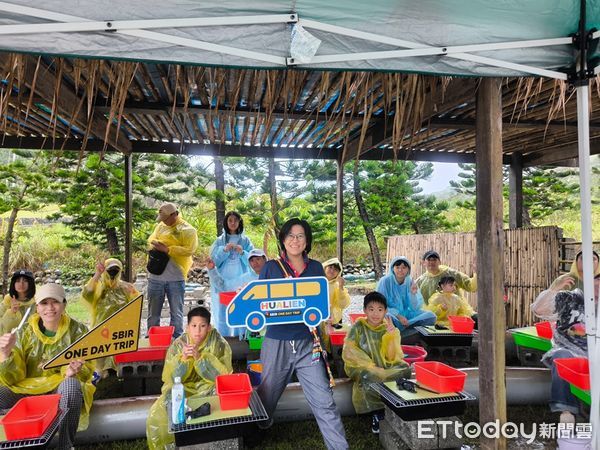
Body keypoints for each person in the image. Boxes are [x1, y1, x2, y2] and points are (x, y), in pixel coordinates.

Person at [257, 218, 348, 450]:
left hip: (309, 343)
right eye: (290, 235)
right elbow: (259, 302)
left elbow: (320, 303)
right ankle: (256, 429)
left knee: (324, 400)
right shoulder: (271, 267)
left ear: (307, 241)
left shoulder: (316, 268)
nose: (295, 240)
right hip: (276, 342)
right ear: (283, 240)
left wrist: (325, 316)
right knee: (267, 396)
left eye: (300, 236)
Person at [0, 283, 95, 449]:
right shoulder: (23, 333)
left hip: (58, 390)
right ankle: (14, 442)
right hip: (26, 391)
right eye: (44, 303)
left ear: (64, 304)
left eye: (55, 302)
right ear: (37, 307)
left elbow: (88, 368)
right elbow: (14, 377)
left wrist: (71, 372)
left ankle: (65, 445)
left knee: (71, 386)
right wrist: (5, 354)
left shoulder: (78, 331)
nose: (50, 308)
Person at [146, 306, 232, 450]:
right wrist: (184, 359)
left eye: (202, 326)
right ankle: (170, 443)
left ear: (209, 327)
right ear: (187, 327)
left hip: (209, 386)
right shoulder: (178, 345)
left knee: (219, 405)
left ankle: (214, 441)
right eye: (194, 326)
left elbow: (222, 377)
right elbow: (172, 378)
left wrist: (200, 359)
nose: (197, 331)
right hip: (182, 387)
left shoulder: (219, 343)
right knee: (158, 412)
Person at [532, 250, 599, 424]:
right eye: (596, 282)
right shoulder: (569, 297)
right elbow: (539, 310)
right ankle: (566, 411)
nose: (598, 287)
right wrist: (554, 289)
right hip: (568, 349)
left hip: (595, 354)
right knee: (562, 358)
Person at [342, 291, 411, 434]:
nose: (375, 314)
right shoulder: (358, 327)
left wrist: (391, 336)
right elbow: (350, 351)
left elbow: (392, 357)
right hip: (361, 367)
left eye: (380, 309)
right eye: (371, 309)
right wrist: (370, 366)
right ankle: (376, 412)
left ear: (385, 311)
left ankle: (396, 404)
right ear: (365, 310)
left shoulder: (387, 327)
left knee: (405, 368)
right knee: (369, 376)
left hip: (384, 366)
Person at [147, 202, 198, 338]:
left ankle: (177, 337)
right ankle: (152, 336)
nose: (163, 222)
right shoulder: (161, 226)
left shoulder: (188, 230)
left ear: (174, 214)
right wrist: (155, 243)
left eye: (166, 219)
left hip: (176, 277)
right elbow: (151, 238)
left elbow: (190, 250)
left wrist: (168, 249)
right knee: (153, 312)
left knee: (176, 312)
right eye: (162, 219)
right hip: (155, 277)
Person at [81, 258, 140, 375]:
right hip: (100, 331)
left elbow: (137, 305)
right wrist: (97, 274)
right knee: (100, 364)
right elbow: (86, 293)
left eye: (115, 270)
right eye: (110, 270)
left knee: (119, 363)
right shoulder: (98, 286)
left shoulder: (125, 288)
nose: (113, 272)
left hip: (120, 331)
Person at [209, 211, 254, 336]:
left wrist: (242, 252)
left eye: (235, 220)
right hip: (223, 279)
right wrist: (224, 250)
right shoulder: (219, 241)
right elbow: (214, 262)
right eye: (230, 220)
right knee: (223, 309)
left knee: (241, 306)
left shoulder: (245, 241)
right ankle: (224, 336)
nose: (233, 223)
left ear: (240, 222)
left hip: (241, 278)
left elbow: (253, 261)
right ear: (226, 223)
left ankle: (242, 336)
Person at [376, 256, 436, 337]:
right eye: (397, 267)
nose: (400, 270)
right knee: (386, 317)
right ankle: (408, 331)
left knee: (431, 316)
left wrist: (413, 294)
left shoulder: (410, 281)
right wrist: (398, 316)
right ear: (393, 268)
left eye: (404, 267)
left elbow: (414, 308)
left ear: (408, 269)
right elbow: (380, 306)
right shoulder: (385, 281)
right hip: (391, 314)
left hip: (406, 315)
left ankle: (403, 329)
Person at [532, 250, 600, 320]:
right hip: (569, 326)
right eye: (583, 258)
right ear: (576, 262)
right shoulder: (564, 280)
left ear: (598, 263)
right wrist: (555, 289)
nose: (588, 261)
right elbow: (540, 309)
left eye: (593, 259)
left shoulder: (598, 281)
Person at [0, 269, 36, 334]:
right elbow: (2, 328)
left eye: (25, 281)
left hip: (31, 342)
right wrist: (12, 312)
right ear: (13, 284)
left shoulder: (38, 302)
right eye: (18, 281)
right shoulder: (7, 302)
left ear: (30, 283)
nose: (21, 283)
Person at [322, 258, 351, 326]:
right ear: (325, 267)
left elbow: (343, 304)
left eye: (335, 269)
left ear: (338, 273)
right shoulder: (315, 281)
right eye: (330, 267)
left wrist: (341, 287)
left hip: (330, 321)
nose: (332, 271)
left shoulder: (337, 286)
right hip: (314, 318)